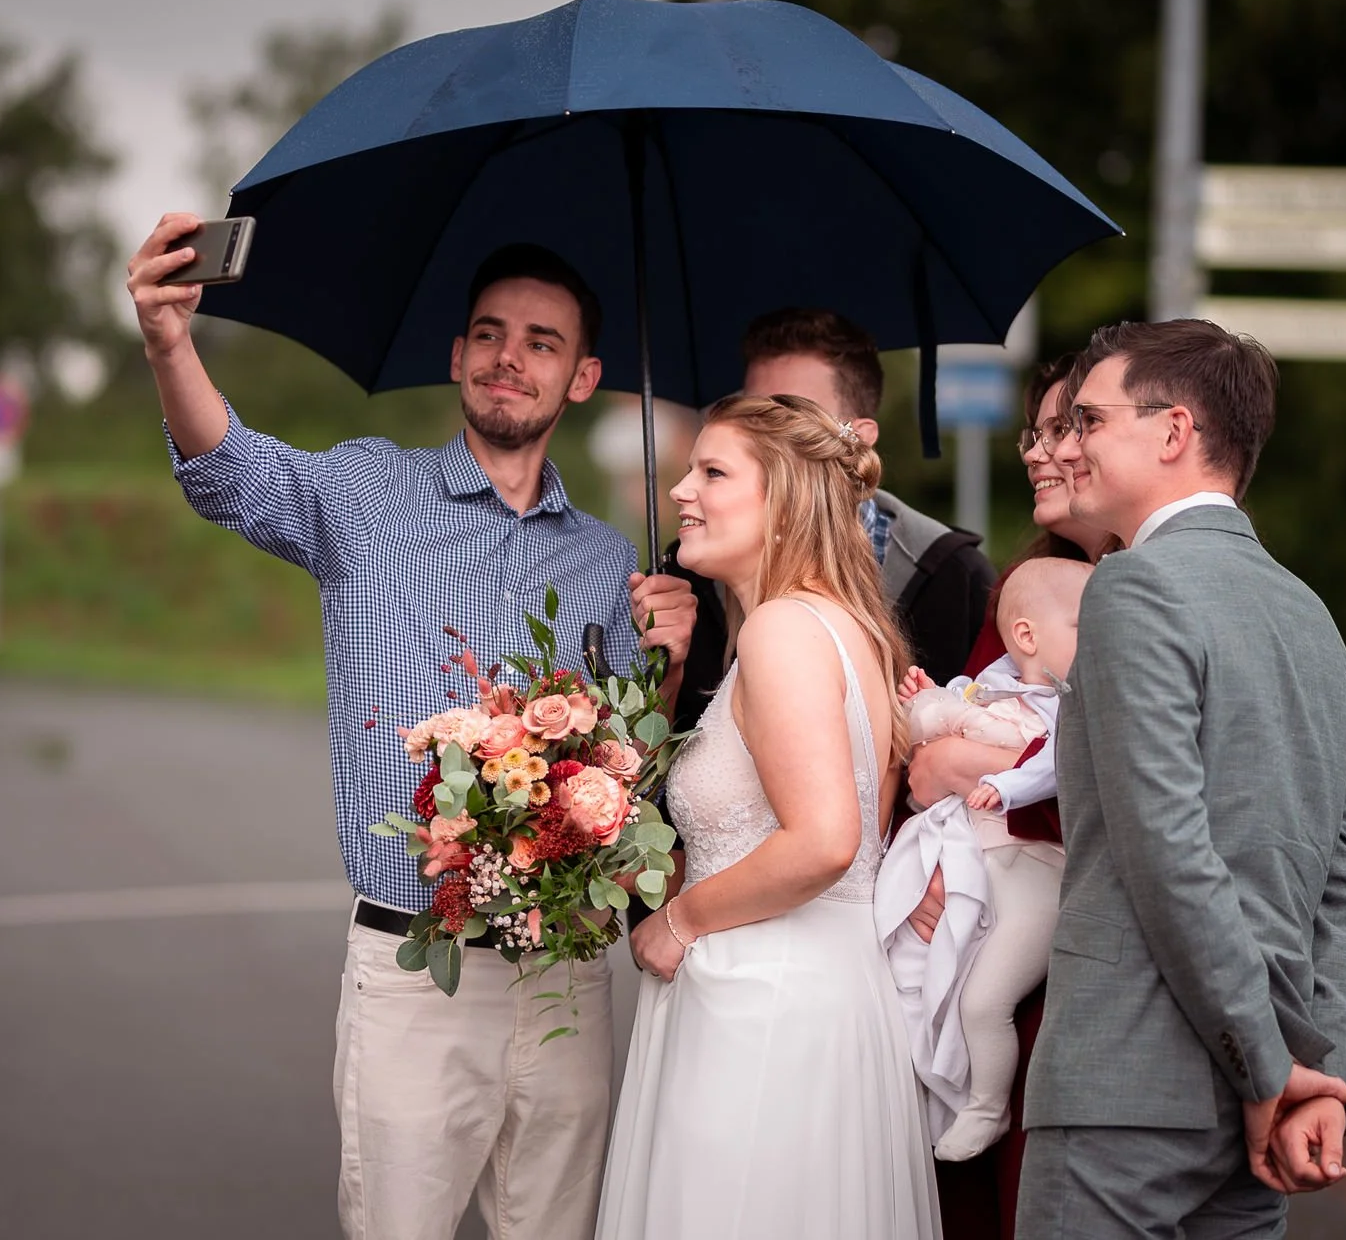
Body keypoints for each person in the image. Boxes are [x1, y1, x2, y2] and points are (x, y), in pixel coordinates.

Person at [125, 215, 697, 1240]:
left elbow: (638, 773)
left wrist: (675, 658)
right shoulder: (367, 493)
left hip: (567, 979)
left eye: (541, 342)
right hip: (414, 967)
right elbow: (230, 471)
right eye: (490, 334)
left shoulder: (614, 563)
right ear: (457, 353)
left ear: (582, 378)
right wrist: (171, 340)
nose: (509, 357)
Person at [1016, 319, 1346, 1238]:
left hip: (1128, 1087)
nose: (1068, 444)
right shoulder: (1314, 618)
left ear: (1174, 431)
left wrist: (1270, 1067)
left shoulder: (1133, 587)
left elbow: (1167, 851)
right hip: (1267, 1100)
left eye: (1090, 420)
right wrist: (1323, 1078)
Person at [596, 394, 941, 1240]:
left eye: (712, 472)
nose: (682, 490)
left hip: (764, 1008)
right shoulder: (848, 628)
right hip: (819, 989)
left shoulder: (783, 630)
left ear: (784, 500)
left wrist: (680, 918)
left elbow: (825, 841)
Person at [906, 355, 1114, 1240]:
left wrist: (973, 762)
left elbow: (1097, 774)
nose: (1036, 450)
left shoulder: (1137, 604)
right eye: (1035, 430)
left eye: (1065, 428)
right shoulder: (1025, 591)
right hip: (985, 894)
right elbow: (927, 770)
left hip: (1077, 945)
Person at [671, 308, 997, 731]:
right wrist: (667, 670)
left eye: (792, 416)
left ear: (857, 439)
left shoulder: (955, 577)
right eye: (754, 411)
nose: (759, 433)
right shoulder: (686, 569)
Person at [879, 557, 1092, 1165]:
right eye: (1086, 625)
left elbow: (1053, 765)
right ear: (1027, 635)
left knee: (984, 999)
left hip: (1038, 874)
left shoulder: (1072, 705)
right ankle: (922, 1091)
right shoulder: (995, 688)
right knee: (927, 980)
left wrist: (996, 776)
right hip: (979, 867)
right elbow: (929, 744)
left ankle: (987, 1107)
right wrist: (928, 700)